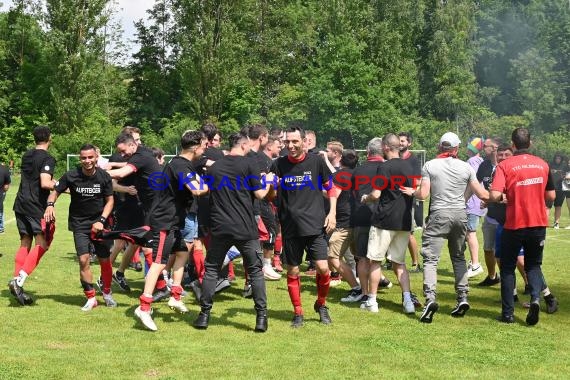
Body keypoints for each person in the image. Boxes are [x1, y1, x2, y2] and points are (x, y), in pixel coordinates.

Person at [405, 132, 489, 323]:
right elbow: (482, 194)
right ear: (457, 148)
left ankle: (431, 299)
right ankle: (462, 297)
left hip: (438, 214)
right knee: (459, 257)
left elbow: (423, 195)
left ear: (439, 147)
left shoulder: (430, 165)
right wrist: (501, 197)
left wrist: (413, 191)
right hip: (460, 215)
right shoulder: (466, 166)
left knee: (431, 259)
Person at [193, 131, 272, 332]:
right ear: (244, 145)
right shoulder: (249, 165)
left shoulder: (215, 167)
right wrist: (270, 180)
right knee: (255, 271)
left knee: (211, 270)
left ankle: (204, 315)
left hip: (220, 227)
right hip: (245, 228)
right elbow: (261, 194)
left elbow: (204, 191)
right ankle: (261, 318)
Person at [135, 130, 208, 331]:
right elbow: (197, 189)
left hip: (174, 221)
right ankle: (144, 306)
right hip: (164, 222)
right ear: (195, 146)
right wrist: (209, 185)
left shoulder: (185, 164)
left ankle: (175, 296)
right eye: (203, 145)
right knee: (159, 263)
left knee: (183, 253)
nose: (205, 149)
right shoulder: (179, 165)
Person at [268, 126, 338, 327]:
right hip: (290, 227)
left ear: (304, 142)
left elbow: (331, 189)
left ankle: (321, 304)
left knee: (324, 269)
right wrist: (273, 186)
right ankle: (298, 311)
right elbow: (271, 197)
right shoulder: (278, 164)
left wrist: (332, 213)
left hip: (315, 225)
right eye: (287, 142)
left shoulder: (316, 161)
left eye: (294, 141)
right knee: (293, 272)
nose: (290, 145)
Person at [489, 128, 555, 325]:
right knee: (534, 265)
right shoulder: (543, 164)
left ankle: (508, 314)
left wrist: (504, 196)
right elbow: (551, 196)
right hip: (538, 223)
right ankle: (535, 299)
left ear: (513, 144)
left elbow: (493, 195)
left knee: (508, 268)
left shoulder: (505, 165)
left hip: (514, 224)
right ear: (531, 143)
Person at [43, 144, 117, 311]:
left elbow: (110, 201)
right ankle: (91, 298)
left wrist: (102, 220)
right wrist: (49, 205)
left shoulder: (104, 176)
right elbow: (55, 191)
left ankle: (106, 292)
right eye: (84, 158)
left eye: (90, 157)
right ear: (80, 158)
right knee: (83, 260)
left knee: (104, 260)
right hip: (79, 224)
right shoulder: (71, 175)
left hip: (100, 223)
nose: (87, 161)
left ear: (96, 157)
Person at [361, 134, 416, 314]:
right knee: (399, 264)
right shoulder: (409, 166)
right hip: (404, 221)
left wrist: (365, 198)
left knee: (375, 261)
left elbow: (376, 194)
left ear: (385, 147)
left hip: (384, 220)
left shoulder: (384, 167)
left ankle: (372, 301)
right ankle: (408, 301)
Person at [8, 126, 57, 306]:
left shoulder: (26, 155)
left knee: (24, 242)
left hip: (20, 203)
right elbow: (45, 182)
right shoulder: (48, 158)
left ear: (34, 138)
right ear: (49, 138)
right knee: (42, 244)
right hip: (35, 206)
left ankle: (17, 281)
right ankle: (18, 280)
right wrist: (61, 186)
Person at [476, 137, 502, 286]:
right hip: (490, 216)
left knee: (510, 255)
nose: (482, 148)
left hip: (506, 217)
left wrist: (490, 199)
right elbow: (475, 183)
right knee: (488, 249)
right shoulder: (484, 165)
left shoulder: (505, 165)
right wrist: (485, 197)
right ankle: (492, 277)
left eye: (485, 146)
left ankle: (526, 283)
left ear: (494, 148)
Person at [398, 132, 421, 272]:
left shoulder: (413, 160)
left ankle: (415, 263)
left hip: (407, 200)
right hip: (393, 199)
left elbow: (418, 180)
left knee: (408, 232)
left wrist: (409, 187)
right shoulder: (392, 157)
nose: (400, 143)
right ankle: (391, 260)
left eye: (402, 141)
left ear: (409, 143)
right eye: (398, 141)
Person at [464, 137, 485, 278]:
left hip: (471, 203)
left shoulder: (471, 162)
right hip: (479, 203)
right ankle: (473, 261)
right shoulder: (482, 161)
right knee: (468, 233)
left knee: (470, 233)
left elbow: (470, 180)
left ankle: (476, 264)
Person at [547, 153, 568, 229]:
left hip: (560, 189)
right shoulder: (550, 165)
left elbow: (567, 176)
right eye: (556, 158)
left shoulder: (564, 166)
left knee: (558, 206)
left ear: (561, 159)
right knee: (547, 206)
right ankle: (545, 222)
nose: (558, 159)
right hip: (551, 189)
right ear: (554, 158)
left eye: (559, 158)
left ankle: (556, 223)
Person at [0, 162, 11, 233]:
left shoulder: (4, 169)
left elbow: (7, 184)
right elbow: (7, 185)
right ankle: (1, 227)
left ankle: (1, 227)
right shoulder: (4, 169)